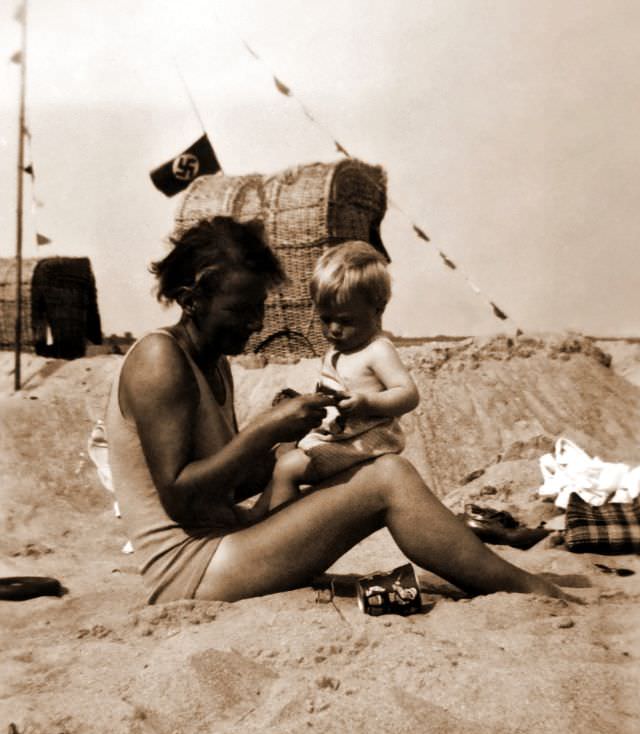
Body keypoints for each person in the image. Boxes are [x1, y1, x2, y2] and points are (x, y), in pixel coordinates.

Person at [106, 216, 571, 604]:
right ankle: (524, 588)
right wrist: (266, 430)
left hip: (221, 544)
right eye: (239, 311)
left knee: (376, 467)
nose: (253, 324)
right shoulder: (159, 359)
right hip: (189, 570)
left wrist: (295, 438)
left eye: (258, 309)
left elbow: (223, 484)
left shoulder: (212, 360)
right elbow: (180, 495)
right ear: (191, 301)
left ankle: (510, 583)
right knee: (388, 478)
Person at [268, 241, 419, 510]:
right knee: (280, 449)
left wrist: (367, 402)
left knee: (288, 467)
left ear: (377, 310)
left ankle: (277, 526)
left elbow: (408, 395)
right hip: (341, 436)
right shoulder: (339, 351)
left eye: (346, 321)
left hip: (367, 440)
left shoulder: (377, 351)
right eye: (326, 320)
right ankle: (264, 512)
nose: (334, 330)